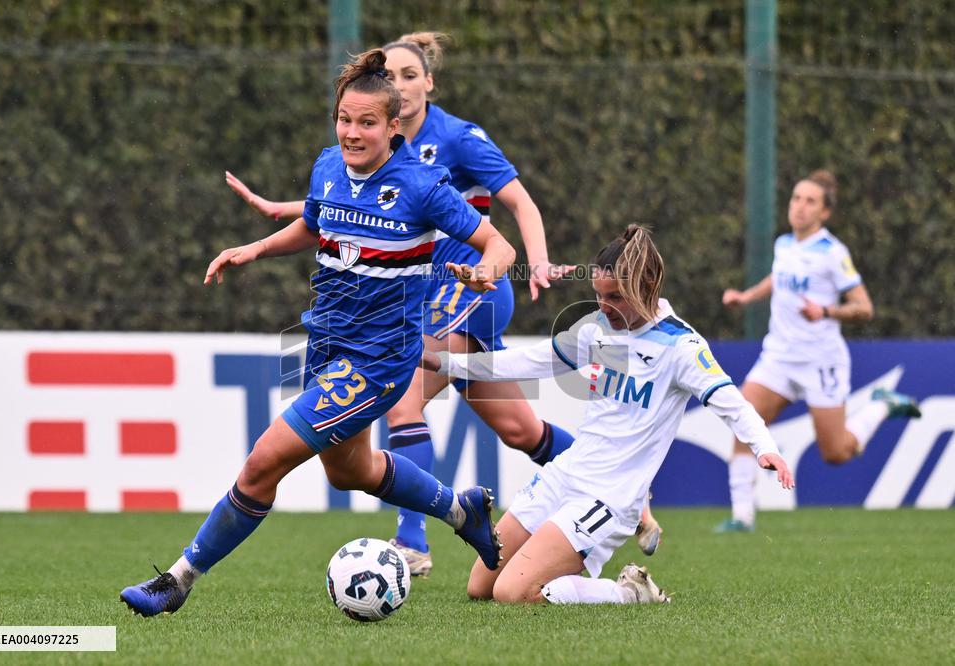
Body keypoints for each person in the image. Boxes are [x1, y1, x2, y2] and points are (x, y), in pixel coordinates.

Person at [224, 32, 663, 575]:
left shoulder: (459, 137)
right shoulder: (371, 142)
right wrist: (284, 211)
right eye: (394, 75)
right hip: (431, 289)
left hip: (469, 287)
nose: (402, 87)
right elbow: (359, 200)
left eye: (412, 76)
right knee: (521, 430)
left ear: (429, 83)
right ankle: (628, 491)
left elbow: (517, 203)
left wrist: (538, 260)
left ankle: (413, 544)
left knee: (404, 401)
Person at [119, 48, 517, 617]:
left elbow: (498, 244)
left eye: (367, 122)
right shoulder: (328, 164)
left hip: (380, 358)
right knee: (350, 469)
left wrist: (485, 273)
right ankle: (461, 511)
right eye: (344, 120)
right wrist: (255, 248)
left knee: (263, 462)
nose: (352, 133)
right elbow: (314, 220)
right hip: (326, 343)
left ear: (394, 125)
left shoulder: (422, 186)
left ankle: (177, 580)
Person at [421, 225, 794, 605]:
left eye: (615, 296)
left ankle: (627, 593)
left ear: (646, 285)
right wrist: (445, 363)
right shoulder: (597, 329)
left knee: (512, 593)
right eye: (598, 296)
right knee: (480, 587)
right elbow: (529, 361)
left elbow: (730, 401)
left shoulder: (681, 346)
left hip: (609, 499)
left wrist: (765, 446)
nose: (604, 306)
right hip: (565, 475)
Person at [715, 170, 921, 533]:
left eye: (810, 201)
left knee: (837, 452)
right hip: (778, 357)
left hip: (820, 361)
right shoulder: (783, 245)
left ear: (824, 213)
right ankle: (742, 518)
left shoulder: (833, 253)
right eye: (796, 198)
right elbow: (778, 278)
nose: (800, 207)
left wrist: (825, 311)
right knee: (743, 423)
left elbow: (864, 307)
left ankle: (881, 405)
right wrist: (746, 297)